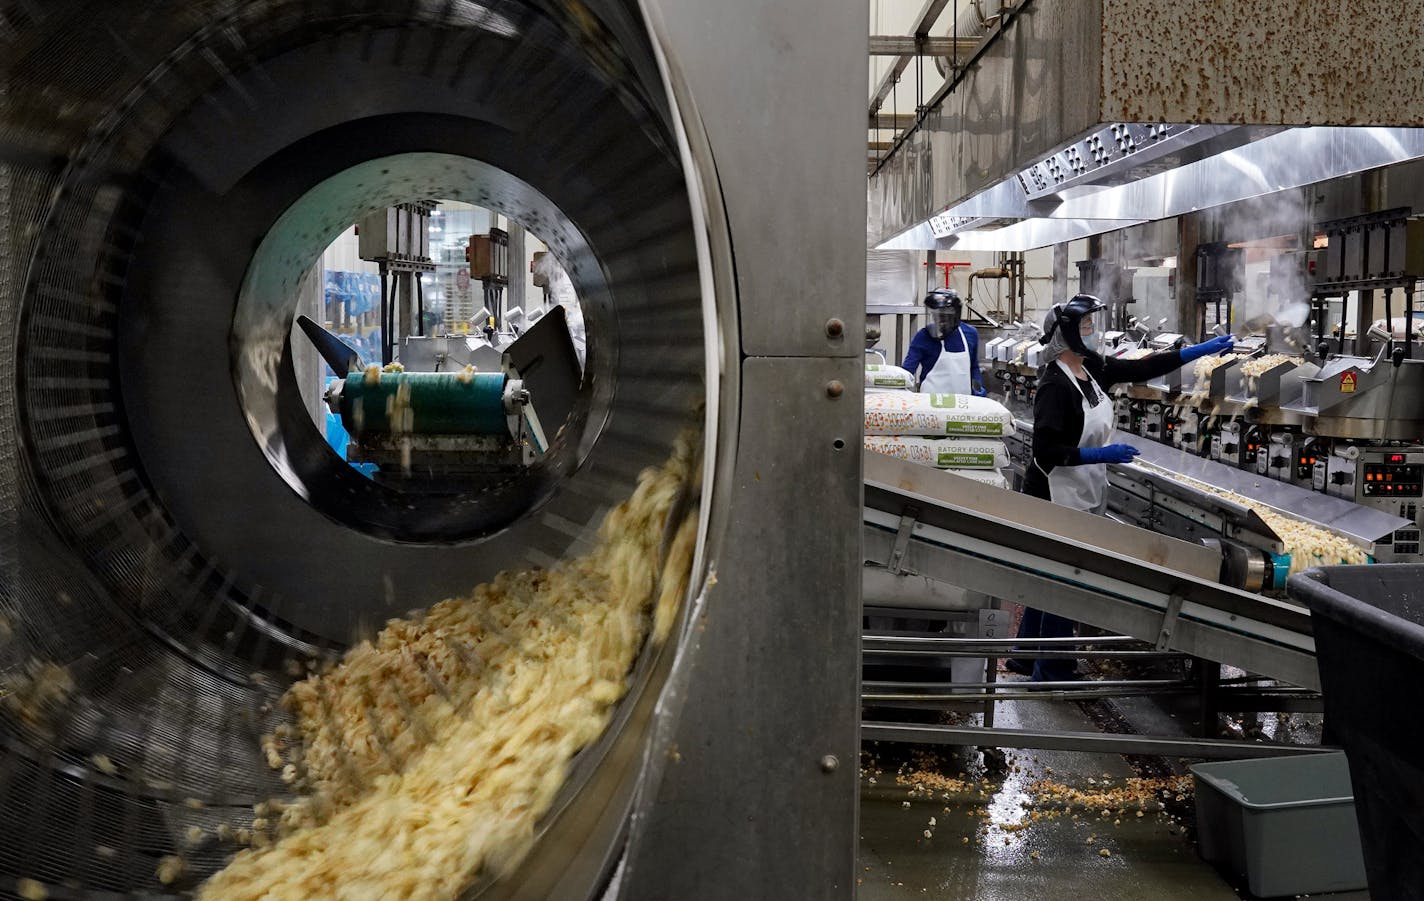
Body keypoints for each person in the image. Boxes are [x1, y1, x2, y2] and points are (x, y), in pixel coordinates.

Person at [1007, 294, 1234, 681]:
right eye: (1085, 327)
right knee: (1065, 578)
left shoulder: (1092, 369)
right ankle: (1054, 669)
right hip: (1054, 494)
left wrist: (1194, 352)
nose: (1093, 333)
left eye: (1093, 325)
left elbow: (1141, 367)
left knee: (1049, 575)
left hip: (1083, 489)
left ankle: (1026, 656)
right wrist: (1101, 454)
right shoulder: (1054, 387)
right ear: (1066, 336)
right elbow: (1046, 451)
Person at [902, 288, 987, 396]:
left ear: (955, 316)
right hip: (930, 406)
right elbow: (907, 372)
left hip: (963, 406)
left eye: (944, 316)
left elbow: (974, 367)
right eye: (935, 315)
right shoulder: (923, 336)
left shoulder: (970, 334)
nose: (939, 321)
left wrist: (978, 389)